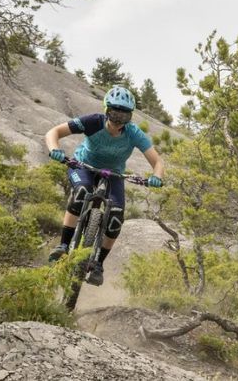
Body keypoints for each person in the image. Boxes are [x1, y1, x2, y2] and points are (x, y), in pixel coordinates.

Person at [45, 85, 165, 286]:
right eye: (114, 113)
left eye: (124, 116)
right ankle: (64, 246)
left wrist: (157, 177)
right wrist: (54, 149)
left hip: (114, 174)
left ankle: (98, 265)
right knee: (82, 192)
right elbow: (54, 132)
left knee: (116, 216)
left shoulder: (134, 133)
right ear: (106, 110)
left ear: (130, 117)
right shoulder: (93, 122)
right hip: (82, 165)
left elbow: (158, 162)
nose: (118, 120)